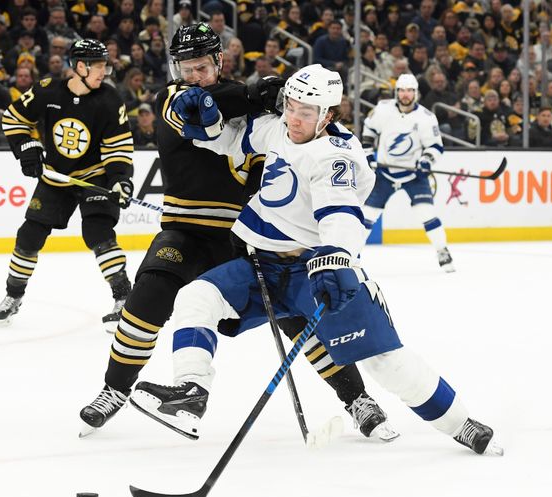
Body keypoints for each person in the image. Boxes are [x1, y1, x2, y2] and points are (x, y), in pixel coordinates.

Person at [130, 65, 502, 457]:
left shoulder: (336, 156)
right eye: (290, 106)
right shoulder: (278, 128)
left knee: (384, 361)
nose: (294, 117)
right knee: (196, 298)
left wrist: (337, 259)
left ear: (328, 115)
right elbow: (231, 140)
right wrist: (206, 127)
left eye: (305, 112)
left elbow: (339, 216)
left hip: (312, 270)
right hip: (262, 265)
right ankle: (191, 393)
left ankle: (460, 423)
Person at [78, 24, 395, 443]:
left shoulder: (257, 111)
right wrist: (254, 91)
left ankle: (357, 398)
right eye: (185, 67)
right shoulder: (175, 97)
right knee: (147, 300)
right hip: (184, 232)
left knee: (299, 318)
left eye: (201, 67)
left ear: (218, 62)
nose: (192, 75)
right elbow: (198, 105)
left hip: (243, 239)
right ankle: (114, 390)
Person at [0, 39, 134, 331]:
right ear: (80, 67)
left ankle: (124, 300)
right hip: (56, 176)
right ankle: (13, 295)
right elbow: (13, 119)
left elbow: (119, 148)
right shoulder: (47, 90)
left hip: (95, 176)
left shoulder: (109, 99)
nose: (104, 71)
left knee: (98, 233)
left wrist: (120, 179)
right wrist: (28, 147)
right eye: (99, 66)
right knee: (29, 235)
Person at [360, 73, 454, 273]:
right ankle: (351, 256)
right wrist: (369, 156)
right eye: (402, 90)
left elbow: (435, 146)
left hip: (414, 175)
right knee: (367, 216)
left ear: (416, 93)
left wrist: (426, 161)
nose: (405, 94)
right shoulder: (383, 109)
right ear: (396, 92)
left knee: (426, 213)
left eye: (409, 90)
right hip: (384, 173)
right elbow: (368, 131)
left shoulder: (426, 118)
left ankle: (442, 251)